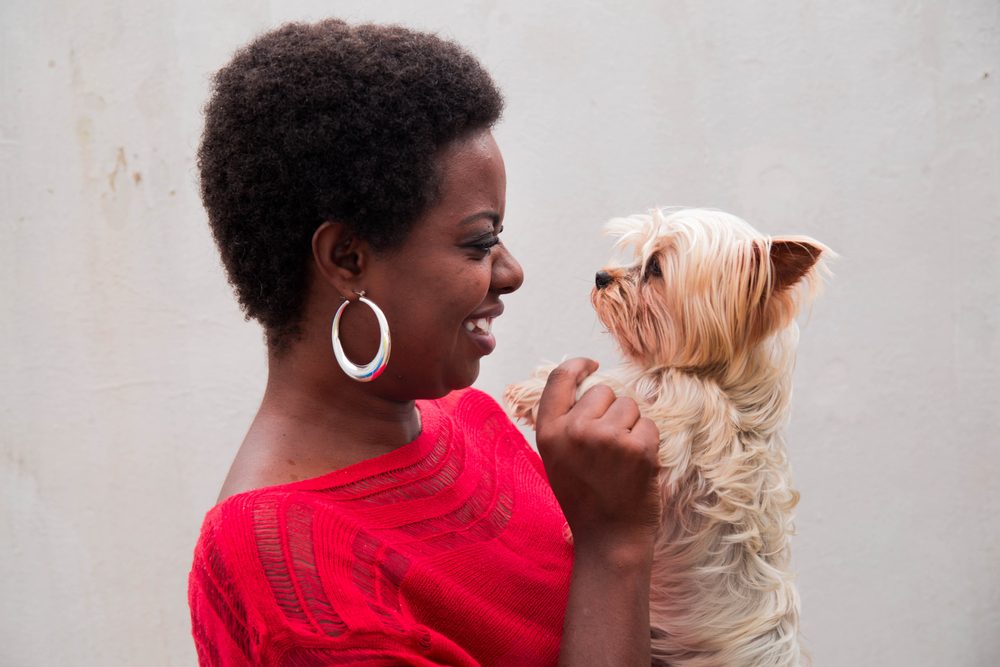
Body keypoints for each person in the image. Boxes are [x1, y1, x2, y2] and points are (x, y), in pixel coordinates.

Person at [188, 19, 661, 666]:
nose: (511, 271)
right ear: (348, 258)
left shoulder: (472, 422)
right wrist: (615, 544)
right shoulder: (285, 565)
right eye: (478, 242)